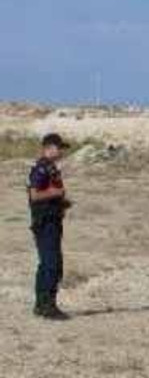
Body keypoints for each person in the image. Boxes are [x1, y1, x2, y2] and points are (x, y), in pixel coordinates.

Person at [28, 133, 73, 320]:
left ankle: (41, 304)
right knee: (51, 264)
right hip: (45, 222)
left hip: (52, 220)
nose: (62, 151)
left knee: (48, 263)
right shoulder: (40, 168)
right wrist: (56, 192)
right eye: (59, 147)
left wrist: (62, 201)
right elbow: (34, 195)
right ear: (49, 148)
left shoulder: (51, 168)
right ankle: (47, 306)